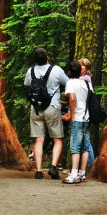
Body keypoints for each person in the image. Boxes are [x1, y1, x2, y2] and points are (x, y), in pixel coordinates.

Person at [24, 48, 69, 179]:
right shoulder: (56, 70)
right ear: (47, 57)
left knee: (39, 140)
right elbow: (68, 83)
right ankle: (53, 167)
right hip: (52, 107)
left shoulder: (30, 71)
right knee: (58, 139)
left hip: (36, 109)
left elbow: (27, 84)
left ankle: (38, 171)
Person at [61, 61, 92, 184]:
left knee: (75, 146)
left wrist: (72, 115)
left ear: (69, 72)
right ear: (80, 72)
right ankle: (82, 173)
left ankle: (73, 174)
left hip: (78, 118)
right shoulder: (86, 82)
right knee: (85, 147)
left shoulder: (70, 82)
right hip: (87, 117)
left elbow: (72, 99)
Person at [77, 58, 96, 167]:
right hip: (83, 113)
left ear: (87, 68)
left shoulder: (85, 78)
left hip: (84, 114)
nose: (80, 67)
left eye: (82, 65)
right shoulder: (84, 78)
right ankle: (88, 164)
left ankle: (89, 164)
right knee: (85, 140)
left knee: (85, 141)